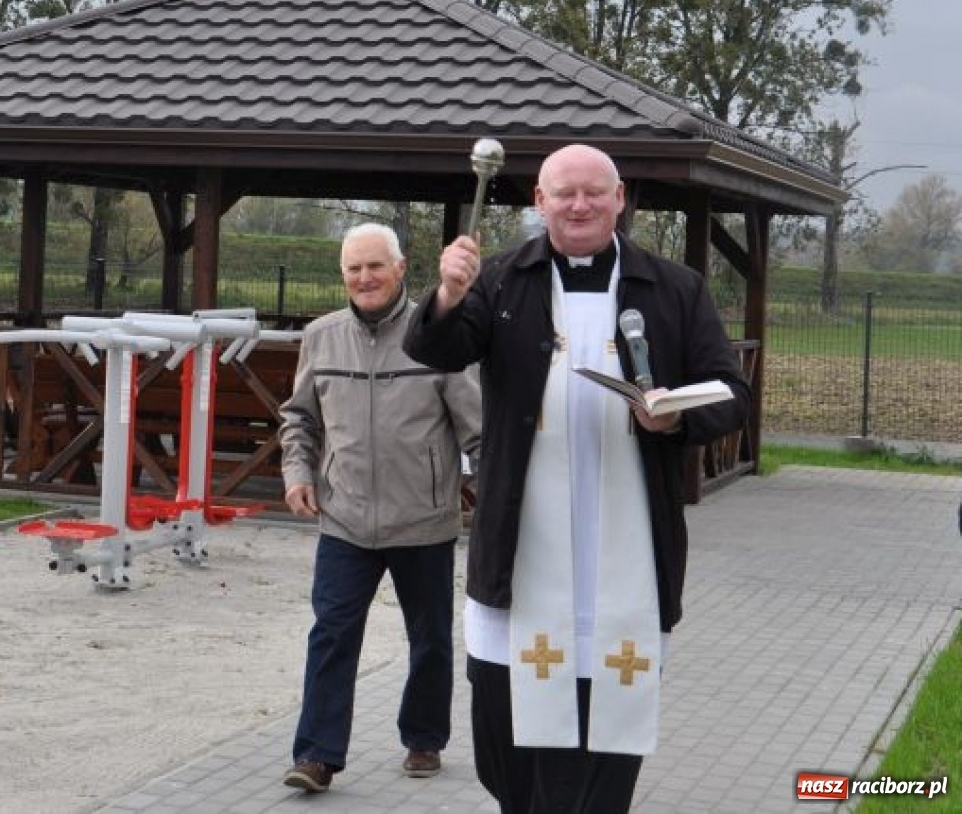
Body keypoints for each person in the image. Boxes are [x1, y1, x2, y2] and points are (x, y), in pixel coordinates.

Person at [403, 143, 750, 813]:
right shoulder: (501, 280)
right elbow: (437, 350)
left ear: (620, 200)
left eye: (596, 192)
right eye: (565, 193)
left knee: (604, 760)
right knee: (506, 752)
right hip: (520, 556)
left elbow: (731, 395)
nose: (581, 204)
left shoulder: (676, 288)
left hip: (626, 562)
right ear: (541, 202)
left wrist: (672, 418)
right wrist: (447, 294)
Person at [279, 222, 483, 794]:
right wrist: (298, 473)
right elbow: (299, 418)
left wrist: (494, 495)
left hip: (423, 518)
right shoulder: (321, 336)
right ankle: (317, 755)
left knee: (430, 637)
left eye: (375, 266)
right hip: (344, 516)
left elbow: (477, 427)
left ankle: (423, 737)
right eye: (353, 268)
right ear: (342, 274)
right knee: (332, 634)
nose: (364, 278)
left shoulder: (436, 335)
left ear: (400, 268)